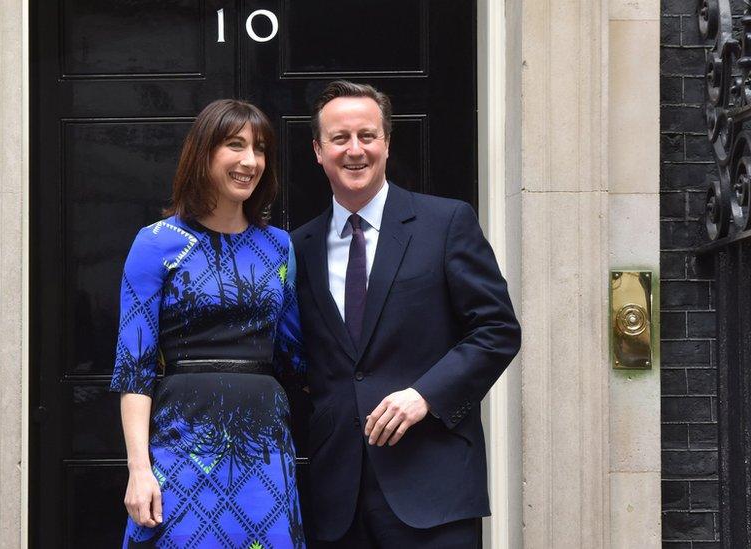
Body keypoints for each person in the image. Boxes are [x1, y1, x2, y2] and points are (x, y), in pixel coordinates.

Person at [292, 80, 521, 547]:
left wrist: (424, 395)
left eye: (367, 136)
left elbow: (497, 330)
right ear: (318, 150)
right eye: (340, 138)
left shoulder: (446, 222)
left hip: (432, 489)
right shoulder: (299, 247)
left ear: (387, 143)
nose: (355, 150)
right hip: (336, 499)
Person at [110, 99, 307, 548]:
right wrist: (139, 470)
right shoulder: (156, 243)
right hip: (182, 441)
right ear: (204, 153)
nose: (250, 160)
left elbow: (297, 354)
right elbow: (133, 367)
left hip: (265, 444)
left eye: (259, 149)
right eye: (234, 145)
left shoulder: (280, 247)